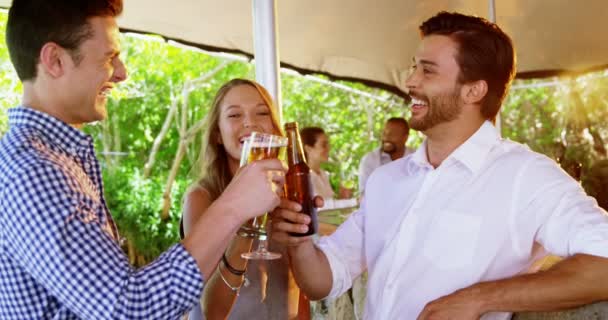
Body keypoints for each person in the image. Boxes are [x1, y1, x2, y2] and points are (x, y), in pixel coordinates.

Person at [272, 11, 608, 320]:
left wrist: (478, 298)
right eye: (414, 67)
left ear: (473, 90)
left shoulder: (526, 175)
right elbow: (322, 281)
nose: (410, 81)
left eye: (427, 70)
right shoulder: (385, 180)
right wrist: (299, 242)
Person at [0, 1, 285, 319]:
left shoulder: (56, 161)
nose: (121, 73)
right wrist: (234, 205)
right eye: (110, 57)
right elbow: (130, 310)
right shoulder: (35, 172)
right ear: (54, 60)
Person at [181, 79, 300, 319]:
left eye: (262, 113)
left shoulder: (289, 194)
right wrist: (246, 216)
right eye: (235, 115)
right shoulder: (201, 198)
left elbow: (300, 289)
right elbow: (211, 310)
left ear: (276, 130)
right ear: (217, 134)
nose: (250, 123)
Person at [358, 117, 414, 193]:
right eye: (384, 133)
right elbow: (365, 195)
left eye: (393, 134)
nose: (387, 137)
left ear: (405, 138)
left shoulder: (417, 159)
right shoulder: (370, 160)